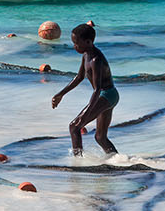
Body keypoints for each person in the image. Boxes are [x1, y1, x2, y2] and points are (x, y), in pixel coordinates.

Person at [51, 23, 119, 156]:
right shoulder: (86, 55)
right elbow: (79, 77)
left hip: (106, 94)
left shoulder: (95, 59)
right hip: (110, 95)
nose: (74, 46)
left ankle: (78, 162)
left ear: (88, 42)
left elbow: (97, 89)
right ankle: (118, 160)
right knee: (100, 137)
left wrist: (87, 113)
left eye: (77, 43)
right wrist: (60, 94)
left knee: (74, 127)